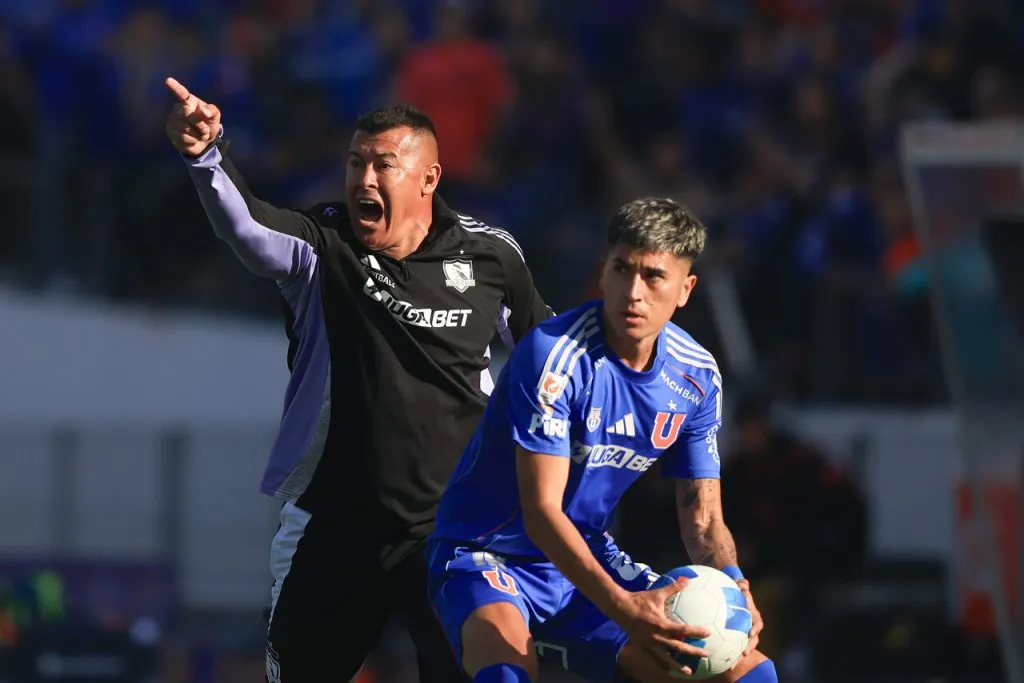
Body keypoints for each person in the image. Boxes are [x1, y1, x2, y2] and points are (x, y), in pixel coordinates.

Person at [163, 77, 551, 682]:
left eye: (384, 166)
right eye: (355, 163)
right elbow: (248, 231)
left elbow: (550, 362)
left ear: (429, 179)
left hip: (455, 533)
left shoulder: (490, 256)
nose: (364, 180)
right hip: (333, 528)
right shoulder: (325, 245)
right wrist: (205, 157)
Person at [427, 197, 778, 683]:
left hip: (585, 558)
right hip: (487, 554)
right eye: (622, 269)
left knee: (748, 671)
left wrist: (736, 586)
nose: (633, 292)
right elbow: (542, 513)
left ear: (685, 289)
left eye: (653, 276)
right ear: (604, 270)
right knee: (506, 674)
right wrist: (625, 608)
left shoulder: (697, 378)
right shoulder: (554, 356)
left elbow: (703, 519)